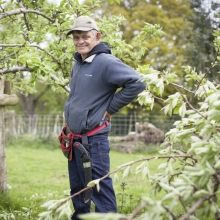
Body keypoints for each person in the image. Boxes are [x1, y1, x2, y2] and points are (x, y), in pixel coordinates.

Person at [63, 16, 146, 219]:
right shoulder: (79, 63)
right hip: (75, 139)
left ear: (97, 36)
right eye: (76, 37)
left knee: (99, 188)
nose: (80, 41)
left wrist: (110, 109)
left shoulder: (106, 62)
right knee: (78, 189)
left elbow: (137, 82)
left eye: (85, 36)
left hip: (94, 140)